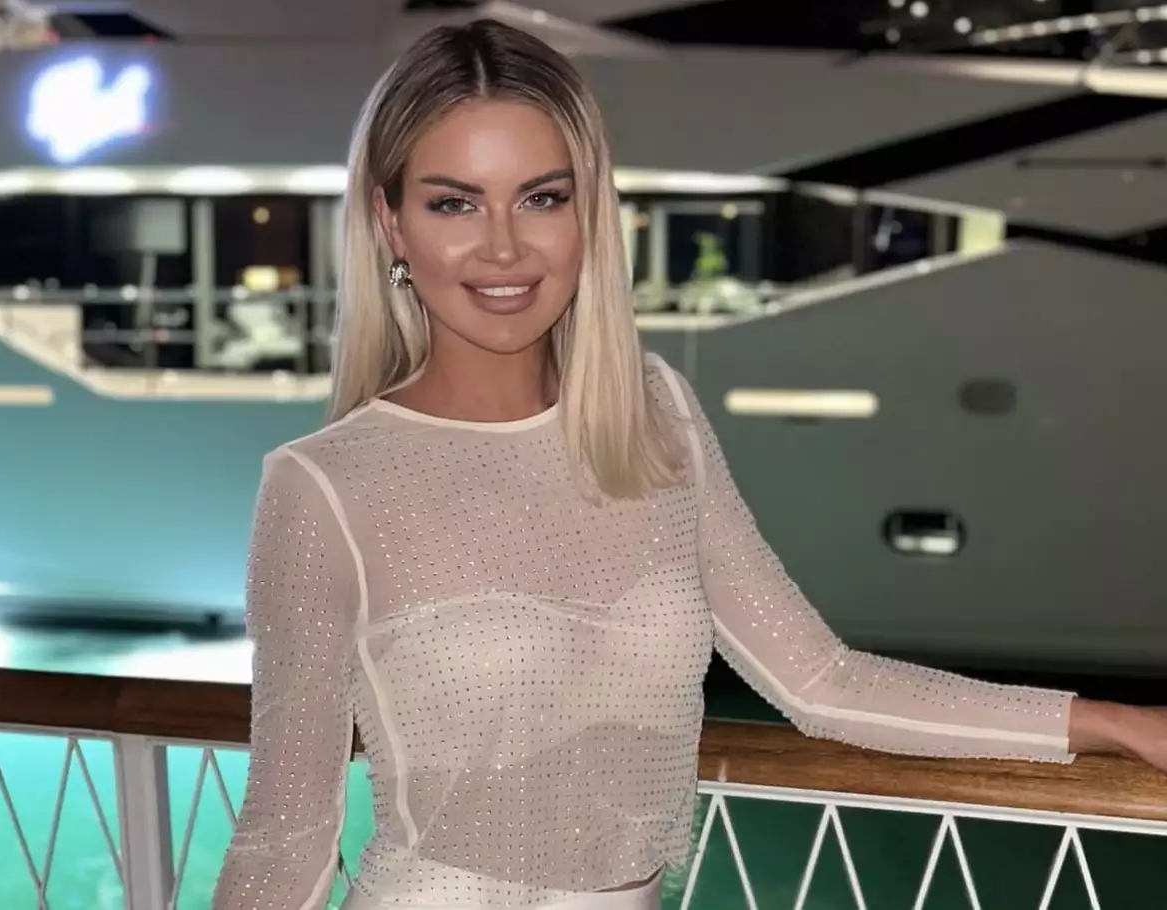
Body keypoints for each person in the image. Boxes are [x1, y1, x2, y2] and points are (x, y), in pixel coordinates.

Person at [210, 19, 1166, 910]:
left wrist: (1108, 722)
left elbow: (820, 682)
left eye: (542, 198)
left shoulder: (655, 414)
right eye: (454, 203)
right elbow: (287, 837)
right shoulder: (324, 485)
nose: (503, 247)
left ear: (590, 210)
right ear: (390, 222)